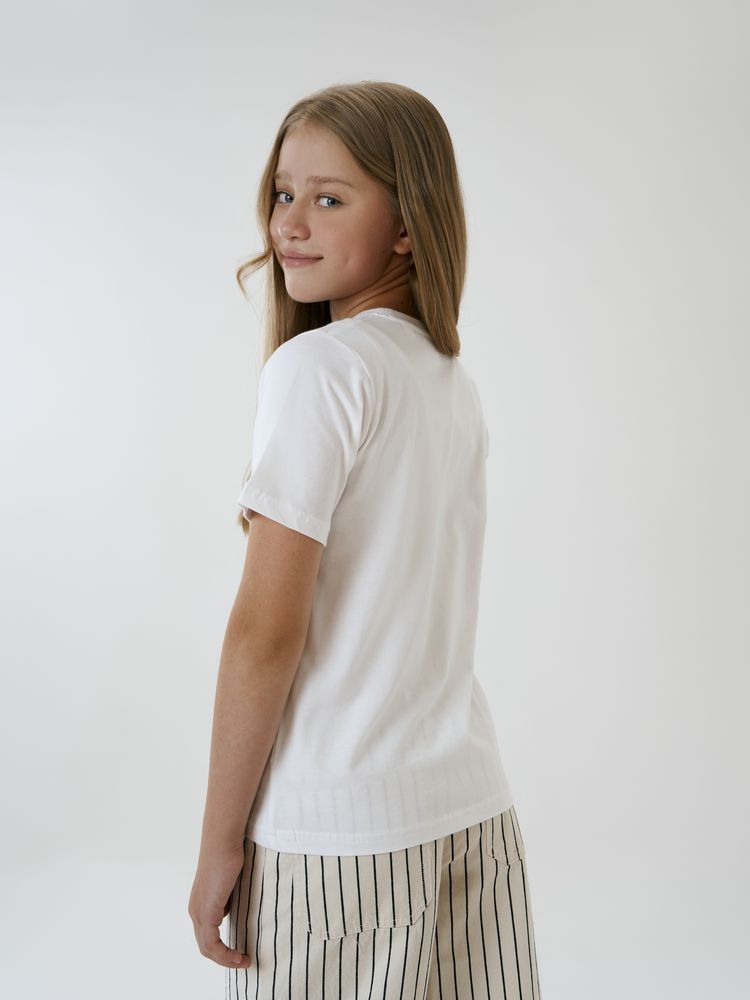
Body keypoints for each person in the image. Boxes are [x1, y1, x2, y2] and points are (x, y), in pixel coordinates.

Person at [188, 80, 542, 999]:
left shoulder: (321, 368)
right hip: (469, 813)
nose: (289, 223)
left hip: (338, 840)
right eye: (283, 192)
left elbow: (265, 632)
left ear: (408, 226)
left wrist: (218, 844)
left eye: (330, 198)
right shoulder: (444, 374)